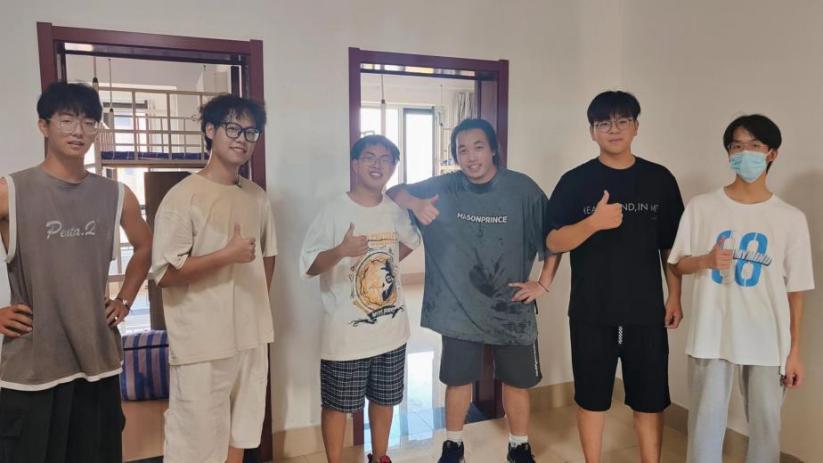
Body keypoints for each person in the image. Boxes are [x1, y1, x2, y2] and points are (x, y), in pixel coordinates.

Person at [388, 118, 559, 463]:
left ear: (493, 149)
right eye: (462, 150)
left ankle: (519, 446)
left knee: (516, 382)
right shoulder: (444, 186)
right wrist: (415, 203)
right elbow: (393, 193)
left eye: (478, 147)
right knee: (457, 380)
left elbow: (554, 237)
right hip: (458, 307)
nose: (470, 157)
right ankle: (453, 446)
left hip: (511, 306)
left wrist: (543, 282)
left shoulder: (523, 190)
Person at [0, 81, 152, 462]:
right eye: (66, 120)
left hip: (96, 360)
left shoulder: (115, 195)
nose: (78, 131)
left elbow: (146, 246)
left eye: (88, 122)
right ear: (44, 125)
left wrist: (124, 300)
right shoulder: (12, 191)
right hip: (33, 365)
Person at [546, 91, 684, 463]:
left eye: (623, 121)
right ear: (592, 131)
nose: (614, 129)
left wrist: (674, 295)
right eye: (603, 123)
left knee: (650, 400)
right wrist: (592, 223)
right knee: (591, 399)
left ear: (636, 127)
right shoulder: (575, 181)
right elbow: (553, 241)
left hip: (646, 311)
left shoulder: (659, 179)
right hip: (591, 310)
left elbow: (670, 247)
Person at [668, 114, 814, 462]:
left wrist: (794, 351)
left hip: (768, 338)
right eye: (736, 146)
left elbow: (796, 290)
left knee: (766, 428)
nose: (744, 153)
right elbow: (677, 263)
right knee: (704, 425)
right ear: (728, 153)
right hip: (711, 333)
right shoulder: (702, 207)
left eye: (755, 145)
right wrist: (705, 260)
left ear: (772, 154)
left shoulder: (790, 218)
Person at [152, 94, 276, 463]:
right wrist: (226, 255)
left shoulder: (257, 197)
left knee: (243, 430)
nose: (242, 139)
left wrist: (256, 305)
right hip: (202, 342)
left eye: (251, 132)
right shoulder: (183, 197)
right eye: (233, 128)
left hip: (251, 336)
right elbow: (165, 273)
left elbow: (269, 256)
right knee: (196, 443)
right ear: (210, 130)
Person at [300, 135, 421, 463]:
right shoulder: (334, 210)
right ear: (355, 165)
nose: (377, 164)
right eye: (369, 157)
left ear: (393, 167)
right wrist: (341, 250)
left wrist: (386, 262)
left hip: (391, 330)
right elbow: (309, 265)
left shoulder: (394, 211)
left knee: (385, 400)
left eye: (385, 159)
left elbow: (411, 242)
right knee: (337, 406)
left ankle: (380, 456)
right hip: (346, 335)